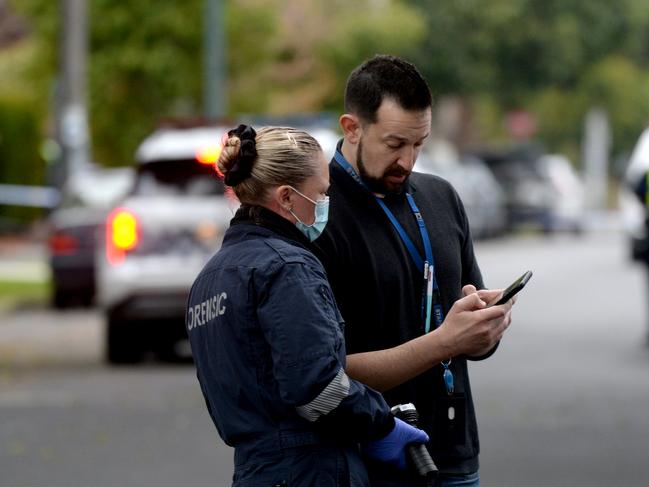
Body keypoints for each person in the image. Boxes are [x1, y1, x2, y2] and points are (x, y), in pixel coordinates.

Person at [186, 124, 430, 486]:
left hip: (254, 469)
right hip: (309, 469)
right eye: (322, 192)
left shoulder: (211, 277)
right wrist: (381, 422)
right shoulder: (287, 267)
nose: (325, 203)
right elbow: (317, 387)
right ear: (286, 197)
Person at [311, 55, 515, 486]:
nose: (407, 160)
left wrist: (484, 328)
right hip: (363, 458)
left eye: (418, 144)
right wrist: (446, 340)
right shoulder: (316, 214)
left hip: (452, 453)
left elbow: (466, 330)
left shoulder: (441, 196)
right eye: (394, 144)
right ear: (352, 128)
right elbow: (320, 372)